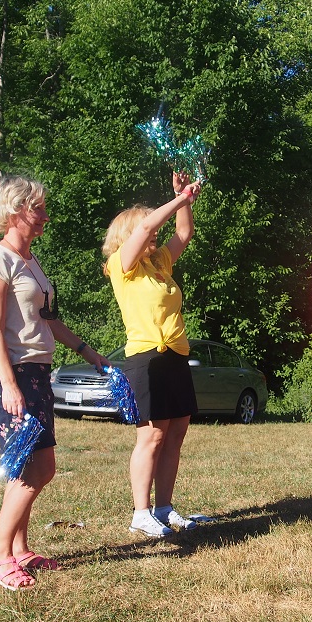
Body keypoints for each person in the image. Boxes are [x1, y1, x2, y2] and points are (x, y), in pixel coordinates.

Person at [0, 175, 108, 591]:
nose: (45, 216)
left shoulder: (30, 261)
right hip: (10, 372)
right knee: (33, 468)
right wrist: (9, 384)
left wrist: (89, 353)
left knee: (36, 465)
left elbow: (49, 321)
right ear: (15, 211)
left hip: (35, 371)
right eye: (38, 209)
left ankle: (19, 549)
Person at [102, 171, 203, 538]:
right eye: (146, 229)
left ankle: (164, 508)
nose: (154, 233)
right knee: (152, 437)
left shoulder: (159, 263)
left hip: (175, 354)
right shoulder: (122, 265)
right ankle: (141, 513)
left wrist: (184, 200)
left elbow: (184, 233)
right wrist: (178, 199)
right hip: (147, 358)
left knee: (175, 434)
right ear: (128, 234)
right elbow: (147, 226)